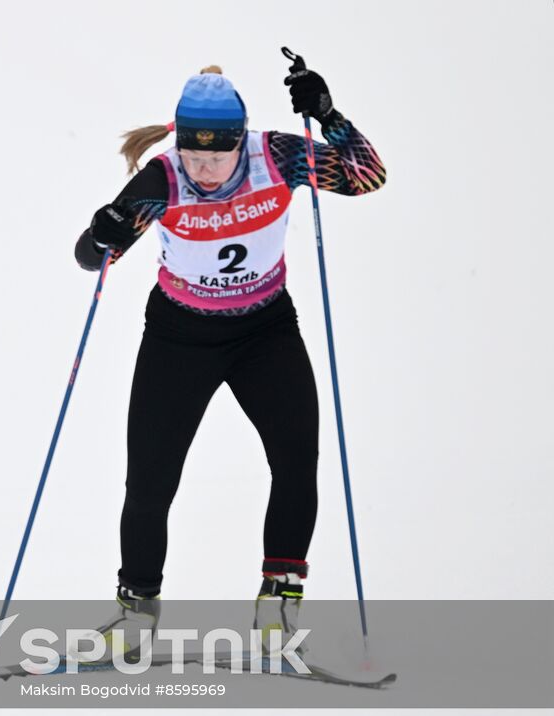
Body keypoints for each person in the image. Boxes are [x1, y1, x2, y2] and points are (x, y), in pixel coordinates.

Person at [74, 62, 385, 655]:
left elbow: (367, 177)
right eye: (194, 158)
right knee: (150, 481)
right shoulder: (161, 180)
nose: (206, 171)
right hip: (178, 338)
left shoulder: (279, 157)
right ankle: (136, 609)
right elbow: (93, 259)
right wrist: (101, 231)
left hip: (264, 332)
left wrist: (329, 117)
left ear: (240, 142)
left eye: (217, 159)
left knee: (296, 459)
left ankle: (277, 604)